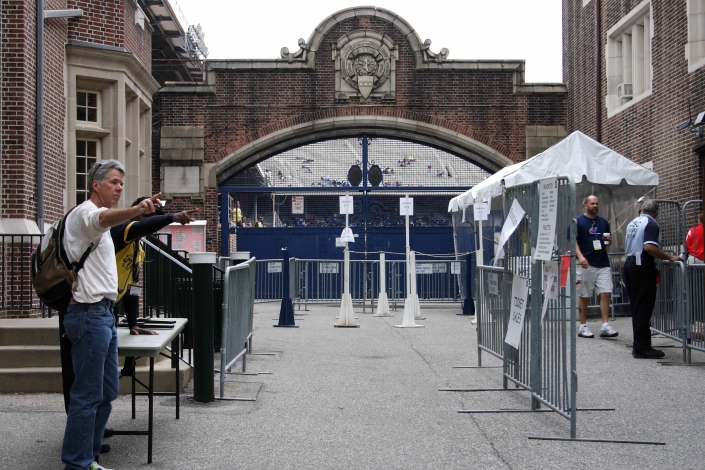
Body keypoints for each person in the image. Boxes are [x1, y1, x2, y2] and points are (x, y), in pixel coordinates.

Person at [61, 159, 162, 470]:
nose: (120, 187)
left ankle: (88, 456)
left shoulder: (101, 226)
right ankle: (77, 463)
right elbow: (106, 217)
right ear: (96, 185)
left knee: (106, 390)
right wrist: (137, 210)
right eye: (114, 182)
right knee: (88, 393)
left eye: (121, 182)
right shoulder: (87, 214)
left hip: (103, 314)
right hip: (89, 314)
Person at [111, 197, 198, 376]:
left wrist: (133, 324)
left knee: (108, 369)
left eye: (155, 217)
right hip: (95, 305)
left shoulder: (139, 246)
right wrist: (171, 218)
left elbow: (132, 287)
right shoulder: (123, 230)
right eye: (148, 217)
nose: (152, 223)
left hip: (109, 306)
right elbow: (140, 227)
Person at [623, 199, 681, 359]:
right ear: (657, 212)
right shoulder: (652, 223)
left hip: (629, 263)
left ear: (641, 209)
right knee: (644, 307)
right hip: (641, 266)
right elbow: (649, 247)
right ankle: (642, 348)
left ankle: (640, 344)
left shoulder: (632, 222)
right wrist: (669, 257)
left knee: (637, 307)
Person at [574, 195, 618, 338]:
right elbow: (572, 241)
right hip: (586, 263)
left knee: (605, 292)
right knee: (585, 295)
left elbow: (605, 240)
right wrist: (580, 257)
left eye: (597, 203)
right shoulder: (578, 222)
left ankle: (605, 325)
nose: (595, 206)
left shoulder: (603, 222)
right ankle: (582, 326)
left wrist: (608, 241)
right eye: (592, 203)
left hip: (602, 262)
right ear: (585, 205)